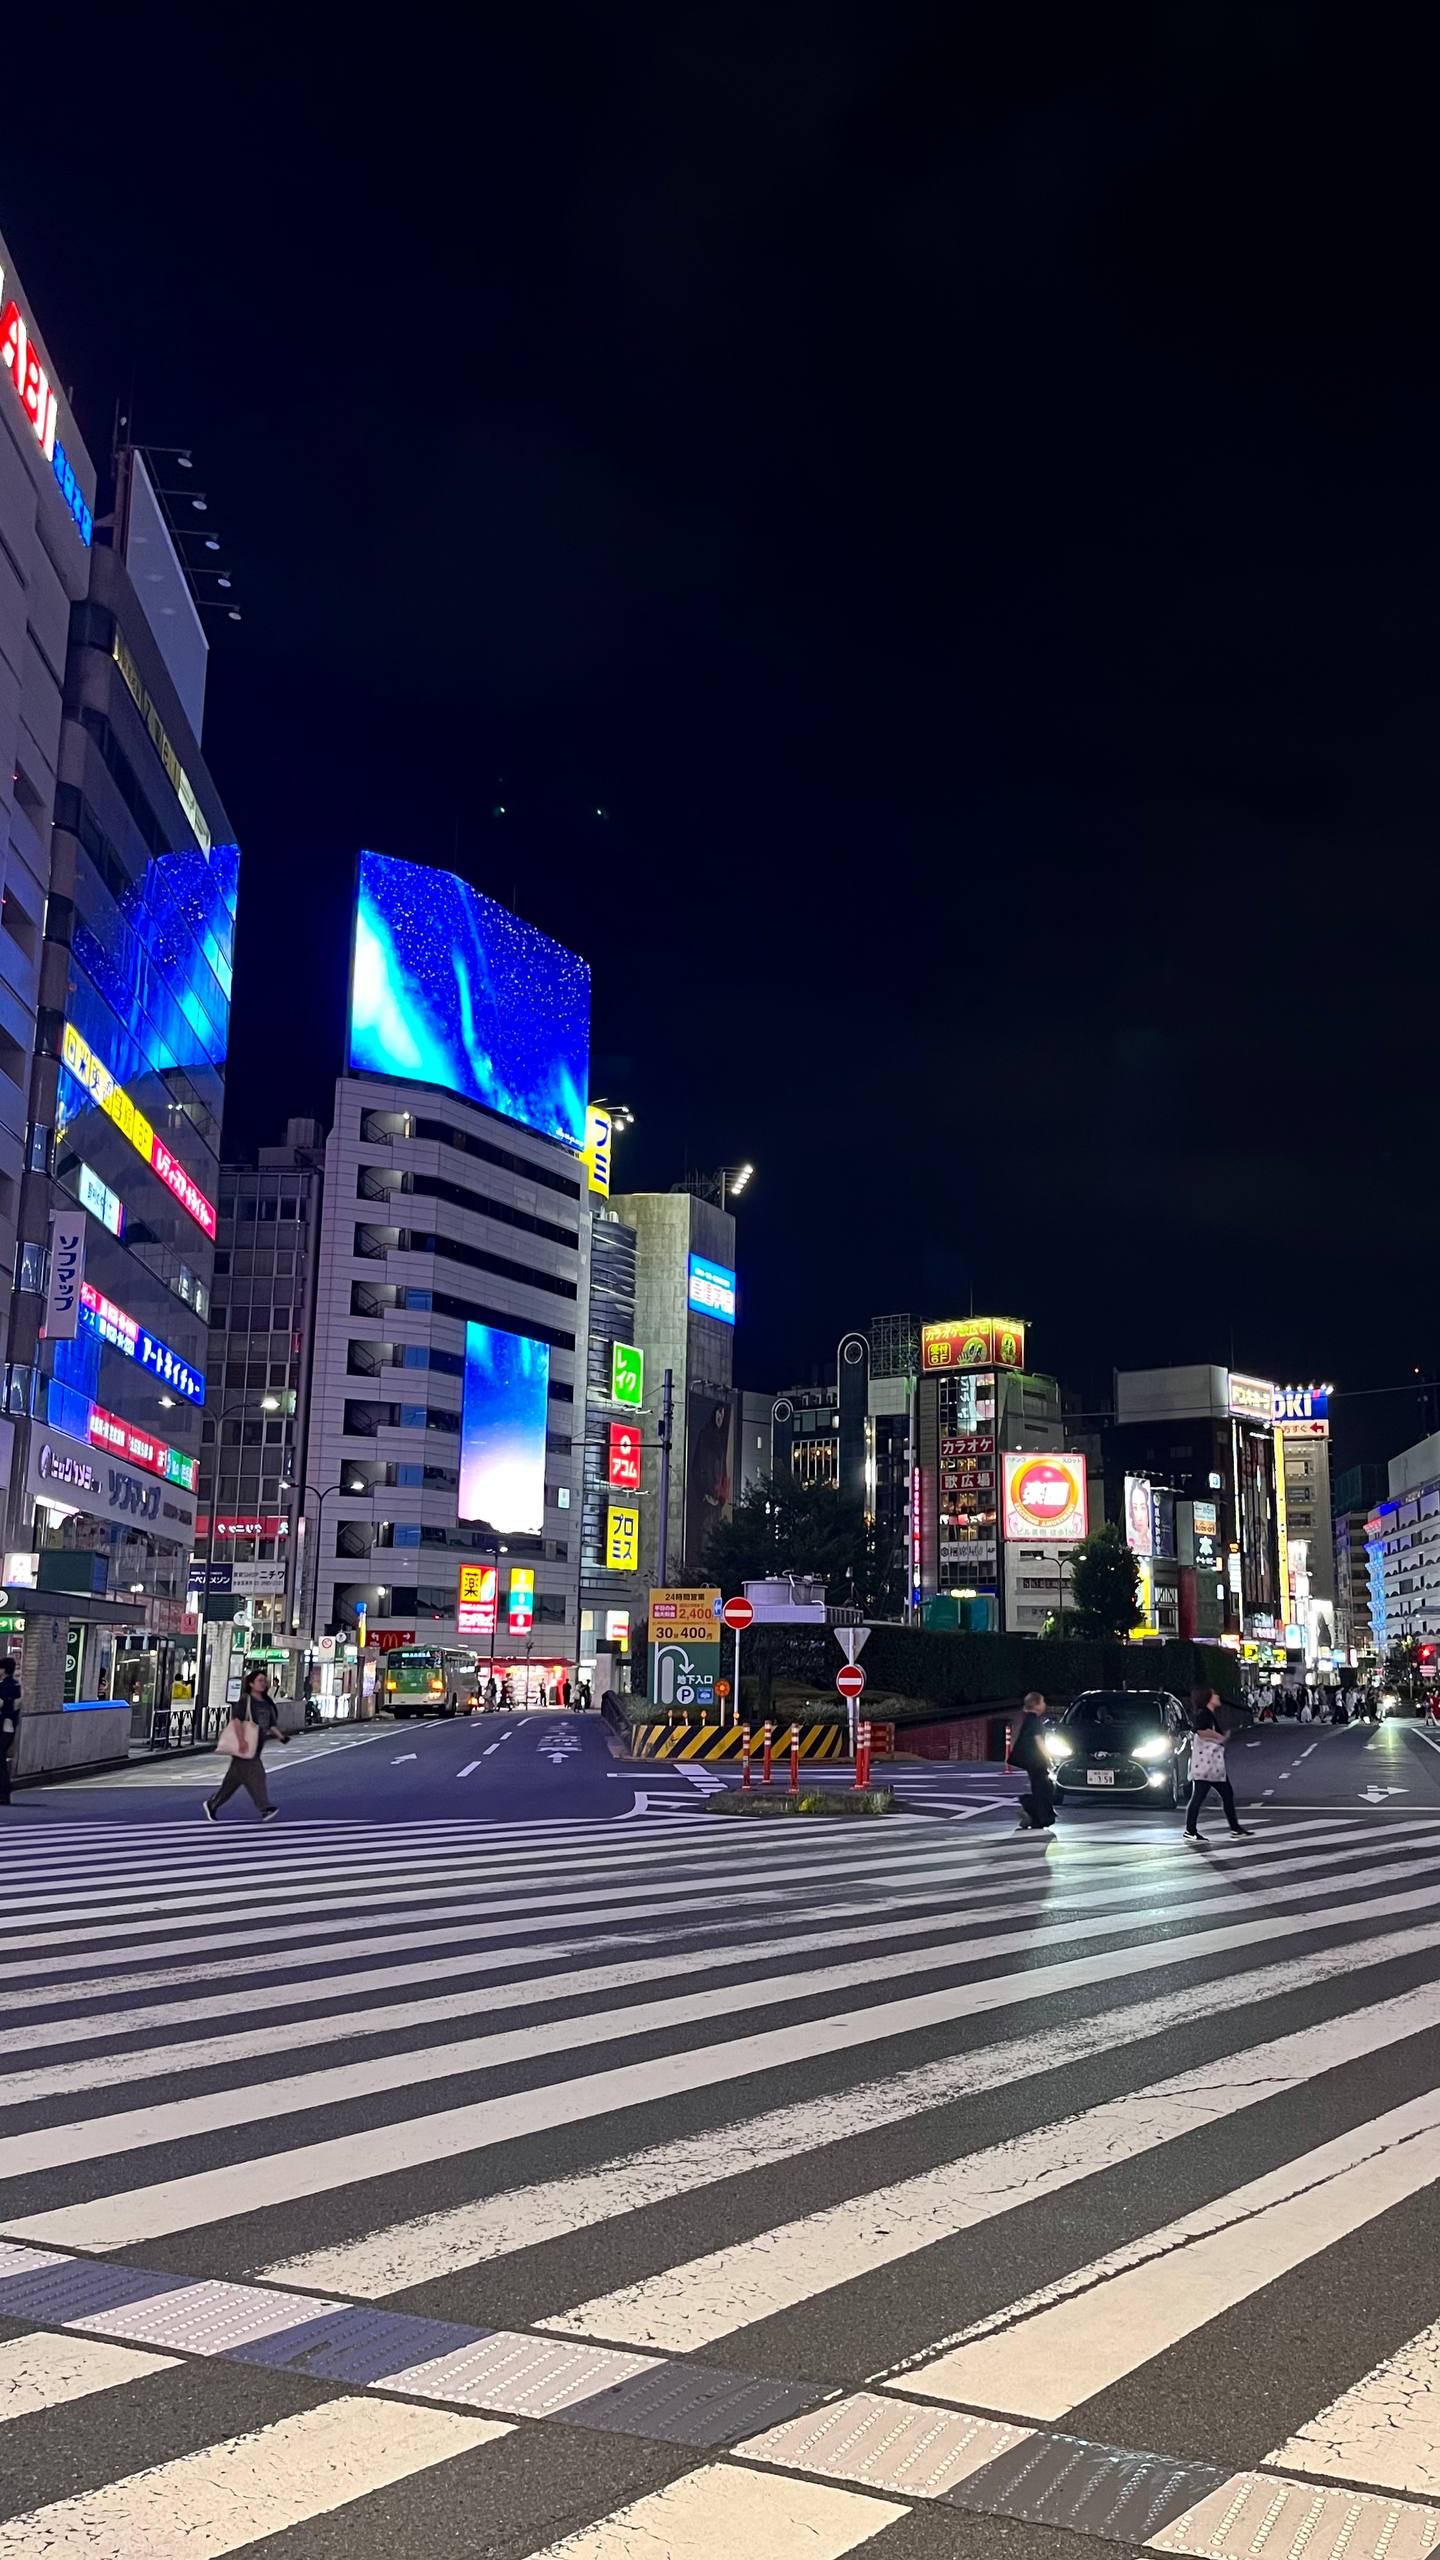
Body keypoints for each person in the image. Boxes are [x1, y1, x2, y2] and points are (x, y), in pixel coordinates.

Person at [203, 1667, 287, 1823]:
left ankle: (213, 1803)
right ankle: (264, 1808)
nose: (264, 1683)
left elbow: (270, 1724)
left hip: (256, 1747)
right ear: (251, 1684)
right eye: (260, 1680)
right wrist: (241, 1740)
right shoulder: (245, 1700)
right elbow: (236, 1721)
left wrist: (281, 1737)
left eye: (264, 1680)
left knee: (232, 1782)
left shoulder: (266, 1703)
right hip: (246, 1747)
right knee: (258, 1775)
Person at [1185, 1690, 1252, 1844]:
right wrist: (1220, 1737)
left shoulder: (1209, 1713)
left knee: (1225, 1794)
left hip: (1212, 1767)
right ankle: (1190, 1830)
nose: (1218, 1697)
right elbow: (1201, 1731)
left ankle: (1234, 1828)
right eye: (1215, 1695)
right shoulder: (1204, 1714)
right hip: (1207, 1766)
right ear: (1209, 1699)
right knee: (1202, 1796)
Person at [1009, 1690, 1056, 1832]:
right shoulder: (1034, 1721)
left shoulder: (1028, 1719)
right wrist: (1048, 1758)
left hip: (1031, 1761)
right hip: (1036, 1760)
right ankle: (1030, 1807)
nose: (1044, 1705)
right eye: (1042, 1702)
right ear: (1036, 1705)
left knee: (1040, 1787)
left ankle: (1035, 1816)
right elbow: (1039, 1741)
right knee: (1044, 1788)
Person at [0, 1657, 19, 1806]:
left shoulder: (5, 1686)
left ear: (3, 1670)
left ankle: (3, 1792)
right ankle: (5, 1792)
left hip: (4, 1727)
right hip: (10, 1726)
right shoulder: (16, 1685)